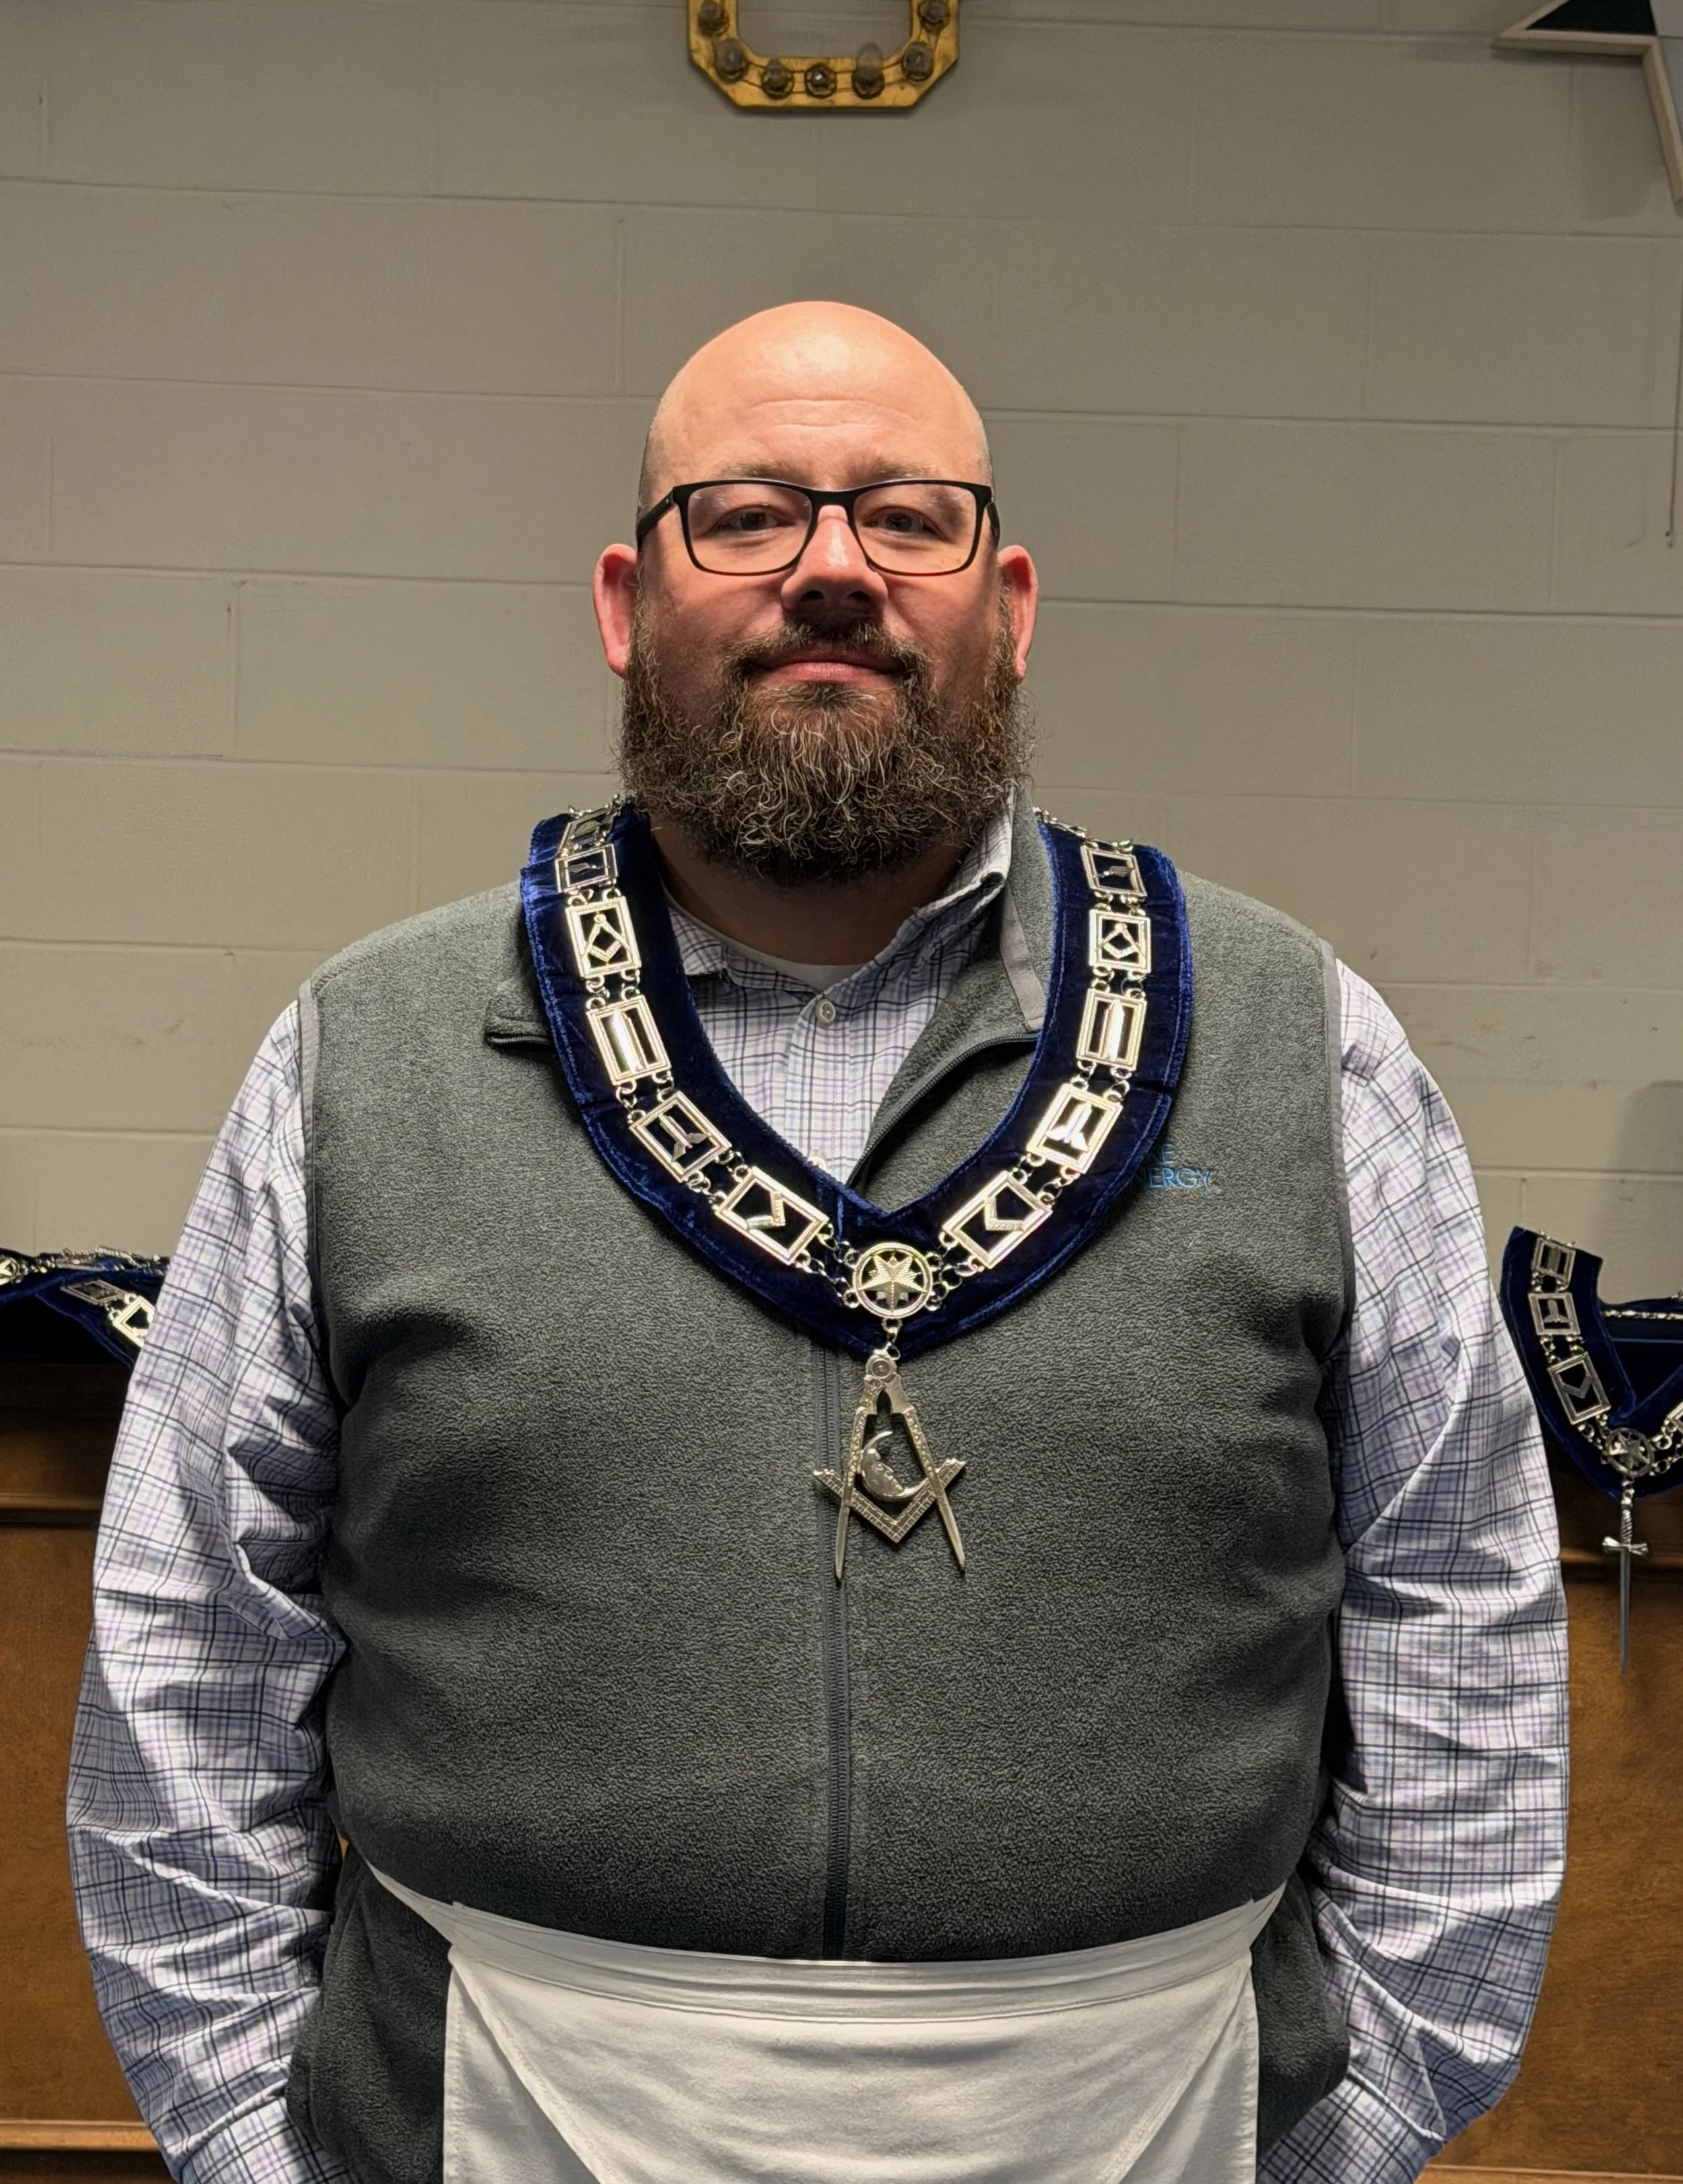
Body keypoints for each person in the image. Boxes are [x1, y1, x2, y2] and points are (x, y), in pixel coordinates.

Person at [68, 302, 1568, 2184]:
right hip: (490, 2109)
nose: (835, 568)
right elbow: (195, 1633)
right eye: (751, 513)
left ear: (1007, 601)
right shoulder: (363, 1053)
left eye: (908, 517)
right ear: (626, 601)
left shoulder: (1297, 1040)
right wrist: (235, 2126)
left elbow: (1459, 1593)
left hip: (1161, 2116)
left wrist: (1362, 2110)